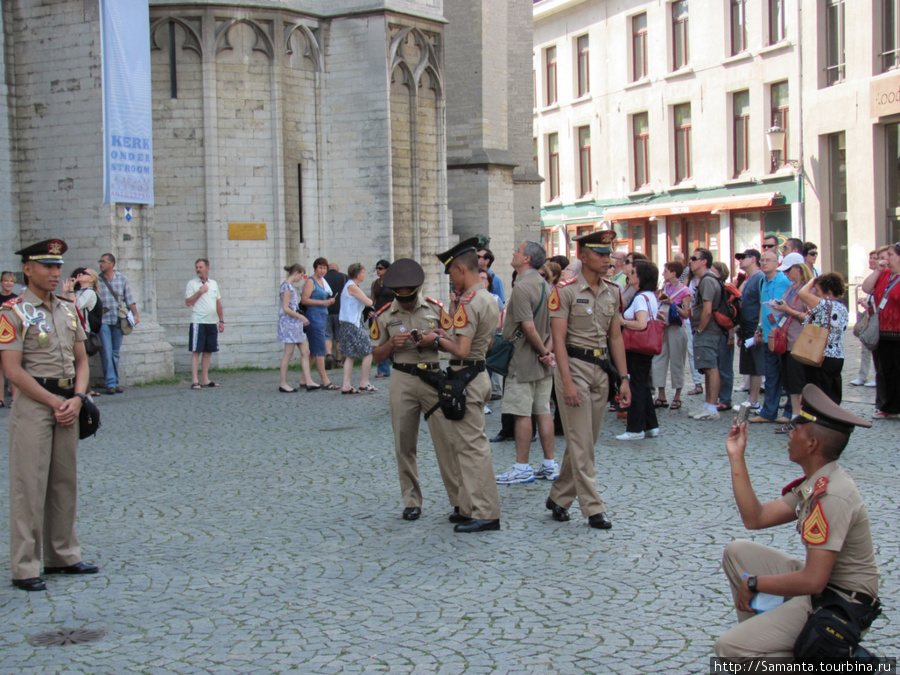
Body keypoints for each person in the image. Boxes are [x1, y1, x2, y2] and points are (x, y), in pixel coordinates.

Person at [714, 384, 879, 660]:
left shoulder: (833, 494)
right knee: (737, 553)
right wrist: (736, 456)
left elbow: (814, 581)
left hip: (839, 602)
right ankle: (764, 641)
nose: (789, 433)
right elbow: (756, 518)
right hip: (825, 587)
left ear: (812, 443)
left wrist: (756, 583)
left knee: (729, 649)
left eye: (796, 428)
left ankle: (836, 663)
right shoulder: (817, 481)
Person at [0, 239, 98, 591]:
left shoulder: (68, 309)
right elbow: (12, 370)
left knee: (63, 482)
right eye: (47, 266)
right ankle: (25, 566)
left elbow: (82, 360)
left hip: (68, 402)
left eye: (58, 266)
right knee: (29, 484)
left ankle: (63, 555)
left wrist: (77, 397)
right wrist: (54, 402)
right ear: (27, 269)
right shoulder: (12, 311)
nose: (56, 273)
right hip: (34, 404)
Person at [545, 230, 631, 529]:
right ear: (583, 256)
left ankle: (559, 496)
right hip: (574, 367)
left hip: (601, 369)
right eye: (601, 254)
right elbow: (557, 339)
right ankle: (593, 507)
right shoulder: (565, 290)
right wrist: (566, 382)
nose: (608, 259)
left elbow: (616, 337)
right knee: (582, 442)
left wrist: (624, 378)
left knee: (586, 440)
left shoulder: (612, 291)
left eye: (609, 253)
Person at [420, 236, 502, 533]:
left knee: (471, 448)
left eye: (451, 272)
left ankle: (486, 512)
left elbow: (462, 350)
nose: (451, 279)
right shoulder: (487, 299)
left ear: (460, 269)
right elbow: (487, 342)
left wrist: (436, 339)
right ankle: (469, 507)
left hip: (467, 374)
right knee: (467, 446)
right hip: (477, 374)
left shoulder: (469, 302)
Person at [371, 258, 459, 522]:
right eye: (403, 298)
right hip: (402, 378)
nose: (407, 302)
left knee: (446, 441)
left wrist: (436, 339)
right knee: (404, 443)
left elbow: (454, 342)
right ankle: (411, 501)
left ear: (418, 290)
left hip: (432, 376)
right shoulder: (384, 315)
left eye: (411, 298)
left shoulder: (435, 309)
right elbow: (376, 355)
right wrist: (392, 346)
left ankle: (458, 500)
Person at [493, 240, 558, 483]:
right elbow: (553, 326)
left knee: (522, 414)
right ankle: (550, 464)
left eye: (517, 251)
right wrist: (548, 353)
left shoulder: (521, 288)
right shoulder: (544, 285)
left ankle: (522, 467)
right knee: (543, 412)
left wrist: (542, 351)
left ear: (526, 259)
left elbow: (528, 327)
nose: (513, 252)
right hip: (542, 364)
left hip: (523, 360)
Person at [618, 259, 660, 440]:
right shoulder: (649, 295)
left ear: (641, 277)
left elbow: (642, 323)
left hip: (636, 347)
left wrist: (623, 322)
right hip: (644, 348)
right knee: (641, 384)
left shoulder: (641, 298)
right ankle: (651, 425)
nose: (630, 274)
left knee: (635, 385)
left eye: (633, 272)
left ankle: (635, 429)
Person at [749, 249, 792, 425]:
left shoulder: (784, 280)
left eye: (769, 260)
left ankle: (790, 412)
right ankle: (768, 412)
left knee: (788, 376)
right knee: (772, 375)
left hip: (783, 335)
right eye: (763, 260)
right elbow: (763, 307)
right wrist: (759, 327)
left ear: (777, 263)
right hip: (768, 336)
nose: (764, 263)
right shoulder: (762, 282)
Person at [772, 254, 812, 433]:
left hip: (800, 341)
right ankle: (795, 416)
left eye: (788, 271)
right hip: (787, 339)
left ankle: (802, 418)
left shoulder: (809, 290)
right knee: (790, 383)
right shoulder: (790, 287)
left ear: (798, 269)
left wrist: (788, 310)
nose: (786, 274)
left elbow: (810, 316)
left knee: (799, 381)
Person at [861, 242, 900, 420]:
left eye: (889, 255)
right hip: (882, 332)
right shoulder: (884, 274)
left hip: (898, 332)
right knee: (885, 371)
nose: (886, 259)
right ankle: (887, 406)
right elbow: (867, 288)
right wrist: (877, 270)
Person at [796, 273, 848, 405]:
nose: (815, 294)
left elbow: (802, 293)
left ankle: (818, 422)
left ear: (828, 293)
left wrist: (813, 280)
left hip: (821, 355)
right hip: (837, 355)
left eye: (817, 291)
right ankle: (832, 421)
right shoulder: (842, 307)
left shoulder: (825, 305)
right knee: (832, 395)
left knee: (818, 395)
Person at [96, 252, 139, 395]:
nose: (101, 264)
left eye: (103, 261)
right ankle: (110, 383)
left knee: (115, 353)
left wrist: (135, 314)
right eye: (100, 262)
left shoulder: (122, 278)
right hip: (103, 320)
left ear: (111, 264)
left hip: (118, 319)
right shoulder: (97, 279)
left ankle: (115, 381)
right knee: (106, 352)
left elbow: (129, 299)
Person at [688, 248, 723, 420]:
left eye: (694, 258)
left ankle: (712, 407)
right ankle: (707, 404)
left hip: (708, 330)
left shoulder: (708, 281)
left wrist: (700, 330)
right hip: (706, 329)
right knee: (707, 368)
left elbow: (707, 310)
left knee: (711, 368)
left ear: (704, 261)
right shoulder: (705, 280)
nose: (690, 261)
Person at [652, 261, 691, 411]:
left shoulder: (685, 291)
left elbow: (686, 314)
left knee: (677, 361)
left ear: (674, 273)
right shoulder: (666, 287)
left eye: (666, 271)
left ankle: (677, 396)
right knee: (658, 359)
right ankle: (661, 394)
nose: (663, 274)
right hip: (663, 327)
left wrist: (672, 303)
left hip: (676, 328)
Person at [185, 258, 225, 390]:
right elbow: (188, 302)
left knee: (208, 351)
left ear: (207, 268)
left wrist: (221, 320)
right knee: (197, 350)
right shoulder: (192, 284)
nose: (198, 270)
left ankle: (205, 379)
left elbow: (218, 303)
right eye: (196, 267)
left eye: (200, 267)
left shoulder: (213, 283)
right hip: (198, 321)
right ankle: (195, 380)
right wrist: (200, 292)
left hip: (211, 322)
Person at [733, 250, 764, 414]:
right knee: (751, 366)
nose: (739, 261)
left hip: (754, 327)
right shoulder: (748, 279)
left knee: (757, 365)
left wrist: (759, 326)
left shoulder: (759, 278)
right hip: (746, 328)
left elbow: (762, 303)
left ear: (753, 259)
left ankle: (754, 400)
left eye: (742, 258)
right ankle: (752, 399)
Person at [338, 263, 376, 394]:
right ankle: (364, 382)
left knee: (350, 355)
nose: (365, 274)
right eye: (363, 272)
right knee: (368, 350)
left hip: (348, 323)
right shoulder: (352, 287)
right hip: (351, 324)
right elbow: (369, 302)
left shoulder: (350, 286)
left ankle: (346, 385)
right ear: (357, 273)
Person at [301, 258, 338, 390]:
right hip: (314, 317)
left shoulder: (323, 281)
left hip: (322, 316)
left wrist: (329, 301)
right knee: (320, 349)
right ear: (315, 268)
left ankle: (303, 379)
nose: (322, 270)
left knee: (313, 350)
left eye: (324, 268)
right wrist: (323, 303)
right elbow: (304, 300)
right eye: (320, 268)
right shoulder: (310, 281)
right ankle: (325, 380)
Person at [277, 264, 312, 393]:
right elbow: (286, 308)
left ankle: (308, 380)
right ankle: (283, 383)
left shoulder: (290, 287)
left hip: (295, 324)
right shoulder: (286, 286)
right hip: (289, 324)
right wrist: (301, 317)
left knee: (305, 351)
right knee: (288, 353)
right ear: (296, 273)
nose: (301, 278)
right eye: (301, 275)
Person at [850, 250, 878, 388]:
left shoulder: (882, 277)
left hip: (876, 320)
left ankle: (876, 376)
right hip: (870, 318)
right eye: (870, 258)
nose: (871, 261)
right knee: (865, 348)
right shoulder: (872, 277)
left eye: (875, 258)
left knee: (875, 350)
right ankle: (862, 375)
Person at [712, 261, 736, 412]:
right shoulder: (714, 287)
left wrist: (731, 336)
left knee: (725, 368)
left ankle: (725, 399)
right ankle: (717, 397)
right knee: (715, 367)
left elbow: (732, 314)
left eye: (712, 270)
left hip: (724, 331)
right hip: (716, 331)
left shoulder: (725, 290)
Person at [370, 259, 393, 378]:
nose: (378, 270)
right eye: (377, 268)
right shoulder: (375, 283)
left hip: (391, 313)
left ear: (387, 270)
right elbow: (372, 299)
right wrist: (370, 310)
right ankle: (383, 370)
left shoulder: (393, 282)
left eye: (380, 268)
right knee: (380, 341)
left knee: (393, 338)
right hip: (378, 313)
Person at [324, 262, 347, 370]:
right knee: (339, 338)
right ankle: (338, 361)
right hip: (340, 311)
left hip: (326, 310)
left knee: (327, 336)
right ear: (337, 269)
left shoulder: (323, 278)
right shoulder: (344, 277)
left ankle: (328, 355)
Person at [0, 271, 19, 406]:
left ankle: (14, 398)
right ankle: (0, 399)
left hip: (12, 335)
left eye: (11, 281)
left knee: (11, 368)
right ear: (1, 282)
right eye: (6, 281)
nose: (9, 283)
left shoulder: (16, 299)